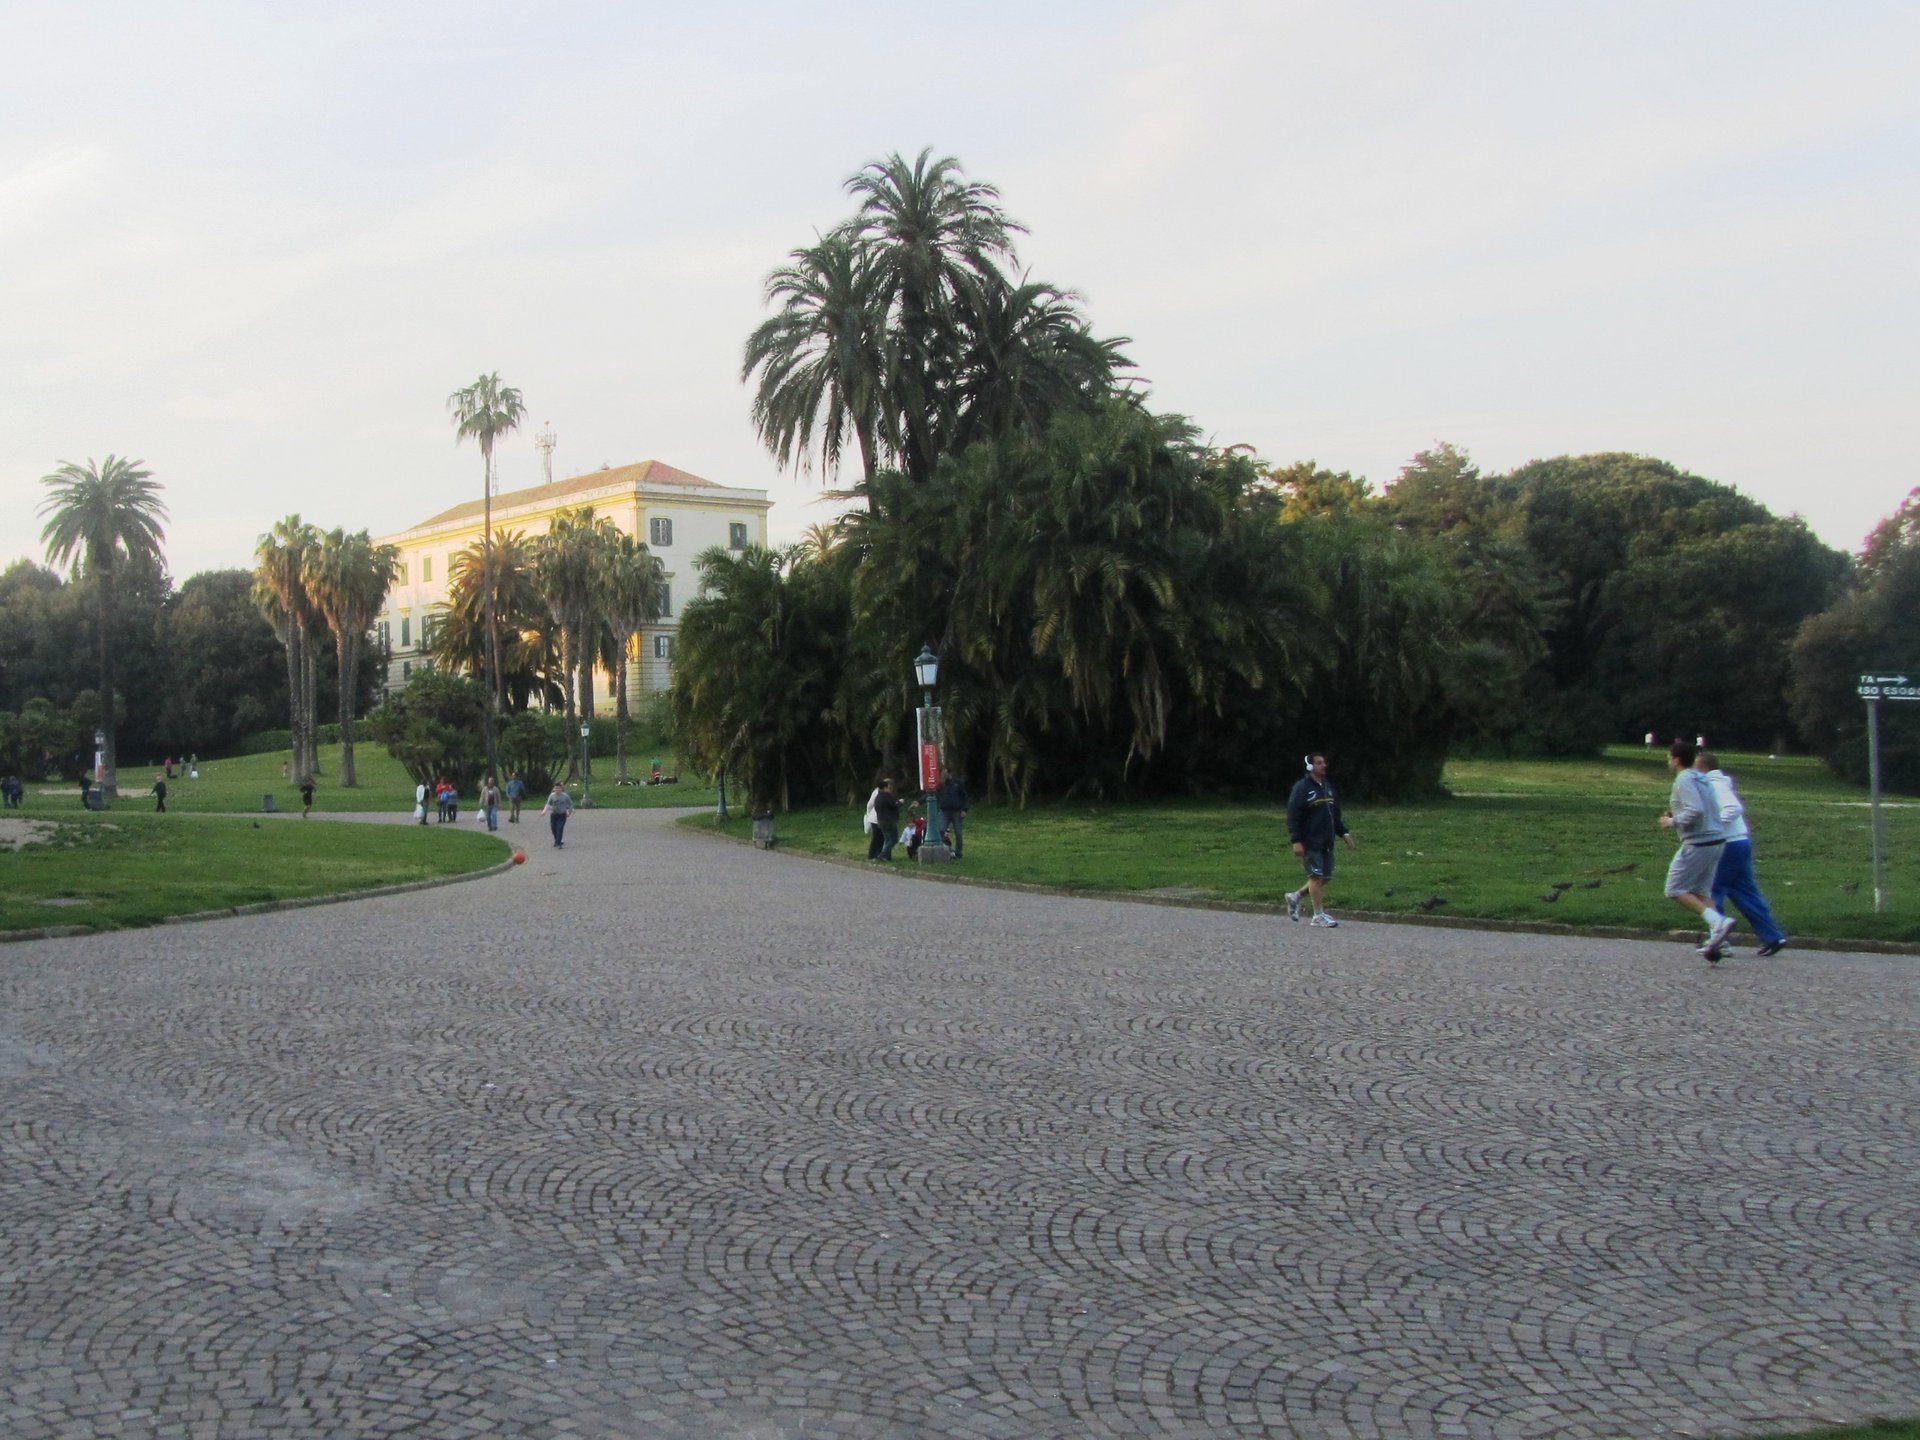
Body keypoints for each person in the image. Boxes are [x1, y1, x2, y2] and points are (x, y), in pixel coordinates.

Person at [1695, 750, 1788, 957]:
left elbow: (1733, 808)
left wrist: (1713, 826)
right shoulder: (1719, 784)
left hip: (1727, 845)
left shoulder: (1714, 785)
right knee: (1744, 892)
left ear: (1702, 767)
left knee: (1712, 890)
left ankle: (1720, 940)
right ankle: (1772, 936)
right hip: (1740, 842)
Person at [1660, 740, 1738, 963]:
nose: (1668, 761)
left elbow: (1695, 809)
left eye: (1669, 757)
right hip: (1717, 840)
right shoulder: (1702, 779)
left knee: (1674, 888)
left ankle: (1717, 922)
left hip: (1699, 842)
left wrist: (1672, 821)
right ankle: (1719, 940)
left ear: (1676, 760)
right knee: (1703, 892)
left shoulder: (1683, 779)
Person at [1284, 752, 1356, 927]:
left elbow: (1335, 815)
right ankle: (1318, 915)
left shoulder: (1327, 788)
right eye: (1319, 763)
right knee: (1315, 877)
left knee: (1326, 876)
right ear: (1310, 767)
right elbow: (1293, 816)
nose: (1323, 765)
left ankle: (1296, 896)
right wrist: (1296, 841)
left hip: (1327, 841)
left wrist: (1344, 834)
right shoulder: (1301, 789)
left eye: (1324, 762)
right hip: (1310, 841)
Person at [937, 771, 971, 858]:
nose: (943, 776)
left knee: (958, 833)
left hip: (957, 811)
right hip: (944, 811)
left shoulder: (958, 783)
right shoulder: (941, 784)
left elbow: (965, 796)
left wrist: (965, 809)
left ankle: (958, 853)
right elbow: (931, 793)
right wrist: (919, 801)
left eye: (945, 774)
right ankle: (945, 850)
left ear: (949, 774)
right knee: (941, 830)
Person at [867, 777, 902, 860]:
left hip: (880, 819)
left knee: (886, 838)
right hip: (882, 819)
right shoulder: (883, 795)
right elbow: (892, 805)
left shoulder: (882, 794)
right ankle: (881, 854)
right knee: (891, 839)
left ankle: (886, 856)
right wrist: (899, 803)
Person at [541, 780, 573, 848]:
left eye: (558, 788)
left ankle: (559, 843)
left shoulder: (565, 796)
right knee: (553, 829)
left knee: (560, 828)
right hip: (554, 815)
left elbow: (570, 804)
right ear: (554, 789)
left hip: (562, 815)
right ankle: (557, 840)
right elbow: (548, 804)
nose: (557, 790)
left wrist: (569, 812)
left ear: (561, 789)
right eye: (556, 788)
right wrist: (544, 811)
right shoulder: (552, 796)